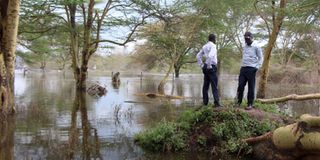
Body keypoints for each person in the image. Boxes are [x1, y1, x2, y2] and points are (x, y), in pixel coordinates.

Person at [236, 31, 263, 110]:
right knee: (240, 85)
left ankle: (250, 104)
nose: (246, 40)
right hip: (243, 68)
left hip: (252, 69)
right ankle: (238, 102)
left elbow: (261, 58)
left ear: (251, 38)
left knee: (251, 87)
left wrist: (257, 67)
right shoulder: (244, 46)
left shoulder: (256, 47)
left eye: (247, 39)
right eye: (245, 39)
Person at [196, 33, 222, 107]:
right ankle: (216, 103)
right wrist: (209, 65)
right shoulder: (213, 46)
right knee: (214, 85)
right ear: (214, 39)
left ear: (208, 39)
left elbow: (198, 56)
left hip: (205, 67)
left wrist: (201, 65)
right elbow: (211, 55)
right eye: (215, 39)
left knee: (205, 86)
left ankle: (205, 103)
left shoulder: (204, 46)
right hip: (211, 67)